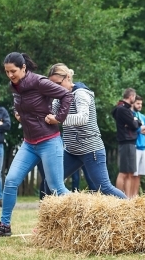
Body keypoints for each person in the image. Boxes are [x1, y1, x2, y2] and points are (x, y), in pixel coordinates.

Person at [0, 53, 72, 238]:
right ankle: (5, 225)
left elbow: (66, 95)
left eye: (13, 71)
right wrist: (18, 111)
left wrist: (58, 118)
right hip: (29, 144)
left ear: (24, 68)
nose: (10, 75)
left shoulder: (39, 82)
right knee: (11, 181)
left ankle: (77, 223)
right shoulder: (14, 86)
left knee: (56, 187)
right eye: (7, 72)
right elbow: (22, 104)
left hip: (49, 141)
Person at [43, 63, 127, 199]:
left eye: (58, 83)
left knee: (104, 187)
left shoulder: (81, 94)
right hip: (71, 151)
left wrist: (58, 119)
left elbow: (83, 118)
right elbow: (47, 113)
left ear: (68, 78)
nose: (55, 88)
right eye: (52, 85)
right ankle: (56, 218)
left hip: (91, 149)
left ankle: (132, 211)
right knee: (51, 182)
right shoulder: (59, 98)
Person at [111, 88, 141, 198]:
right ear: (131, 96)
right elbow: (134, 125)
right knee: (123, 172)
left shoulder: (126, 109)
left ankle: (127, 198)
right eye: (134, 96)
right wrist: (134, 122)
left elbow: (136, 123)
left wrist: (135, 121)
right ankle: (119, 197)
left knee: (130, 172)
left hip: (130, 142)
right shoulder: (122, 109)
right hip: (126, 141)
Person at [133, 95, 145, 197]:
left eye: (141, 104)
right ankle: (130, 195)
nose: (139, 105)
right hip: (135, 147)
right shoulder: (132, 115)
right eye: (137, 103)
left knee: (139, 174)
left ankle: (136, 195)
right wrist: (140, 130)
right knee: (133, 174)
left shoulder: (143, 117)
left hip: (142, 147)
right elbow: (135, 129)